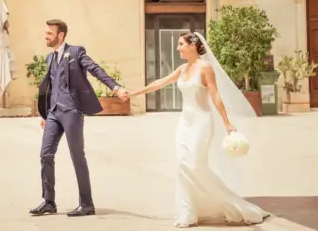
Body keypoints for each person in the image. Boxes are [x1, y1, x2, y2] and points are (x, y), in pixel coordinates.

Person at [127, 32, 270, 228]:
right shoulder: (183, 68)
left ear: (193, 45)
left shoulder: (205, 68)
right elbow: (160, 83)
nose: (178, 48)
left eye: (181, 44)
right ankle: (188, 212)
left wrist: (227, 123)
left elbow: (216, 96)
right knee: (183, 166)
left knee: (195, 166)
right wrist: (135, 93)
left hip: (202, 123)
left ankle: (236, 206)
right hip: (185, 123)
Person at [31, 19, 129, 218]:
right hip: (53, 113)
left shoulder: (76, 53)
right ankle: (49, 201)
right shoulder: (50, 58)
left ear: (61, 35)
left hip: (71, 112)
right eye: (46, 33)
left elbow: (95, 69)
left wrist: (115, 87)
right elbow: (50, 87)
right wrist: (45, 113)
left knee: (77, 156)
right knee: (45, 154)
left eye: (49, 33)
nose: (46, 36)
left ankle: (86, 204)